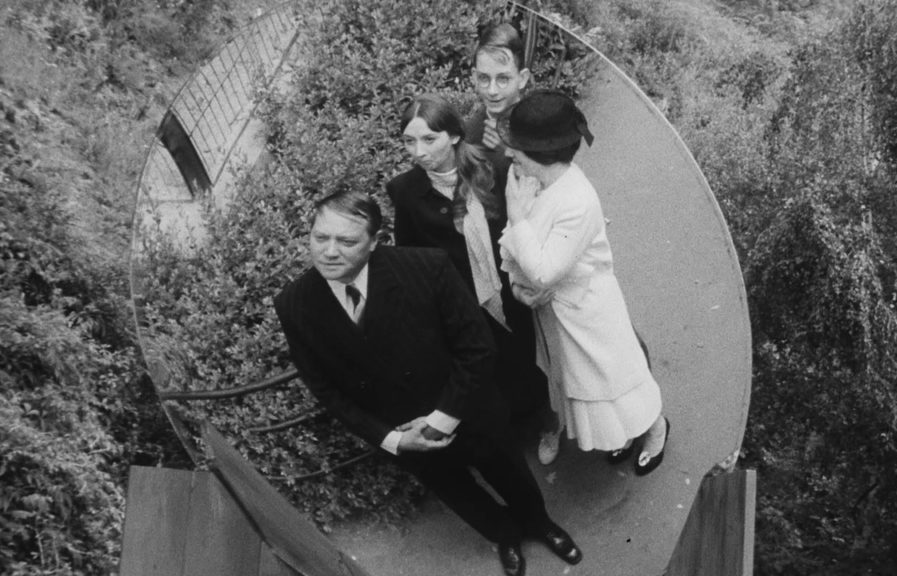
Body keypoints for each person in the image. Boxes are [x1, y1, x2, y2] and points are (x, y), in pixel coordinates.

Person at [274, 188, 581, 576]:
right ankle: (504, 534)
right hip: (402, 435)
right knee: (460, 495)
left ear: (374, 243)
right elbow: (326, 389)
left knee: (510, 473)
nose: (329, 251)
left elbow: (477, 348)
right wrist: (395, 440)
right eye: (320, 237)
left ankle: (539, 523)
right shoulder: (293, 305)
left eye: (346, 241)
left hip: (470, 411)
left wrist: (441, 419)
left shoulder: (426, 268)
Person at [497, 90, 670, 476]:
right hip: (559, 311)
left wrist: (518, 217)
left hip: (588, 309)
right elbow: (522, 258)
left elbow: (544, 270)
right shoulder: (530, 180)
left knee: (615, 378)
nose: (510, 155)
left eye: (517, 149)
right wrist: (518, 287)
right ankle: (623, 433)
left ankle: (655, 428)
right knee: (590, 386)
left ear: (539, 154)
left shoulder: (577, 200)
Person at [386, 94, 549, 434]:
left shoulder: (492, 168)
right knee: (499, 365)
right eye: (409, 141)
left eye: (429, 139)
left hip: (515, 287)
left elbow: (530, 224)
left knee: (537, 355)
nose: (418, 152)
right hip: (468, 305)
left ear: (455, 135)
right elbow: (412, 258)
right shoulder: (405, 191)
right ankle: (525, 421)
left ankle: (550, 419)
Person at [465, 21, 530, 169]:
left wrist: (509, 150)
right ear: (474, 77)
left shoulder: (543, 124)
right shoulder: (470, 135)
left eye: (503, 79)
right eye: (484, 78)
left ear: (522, 79)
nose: (492, 91)